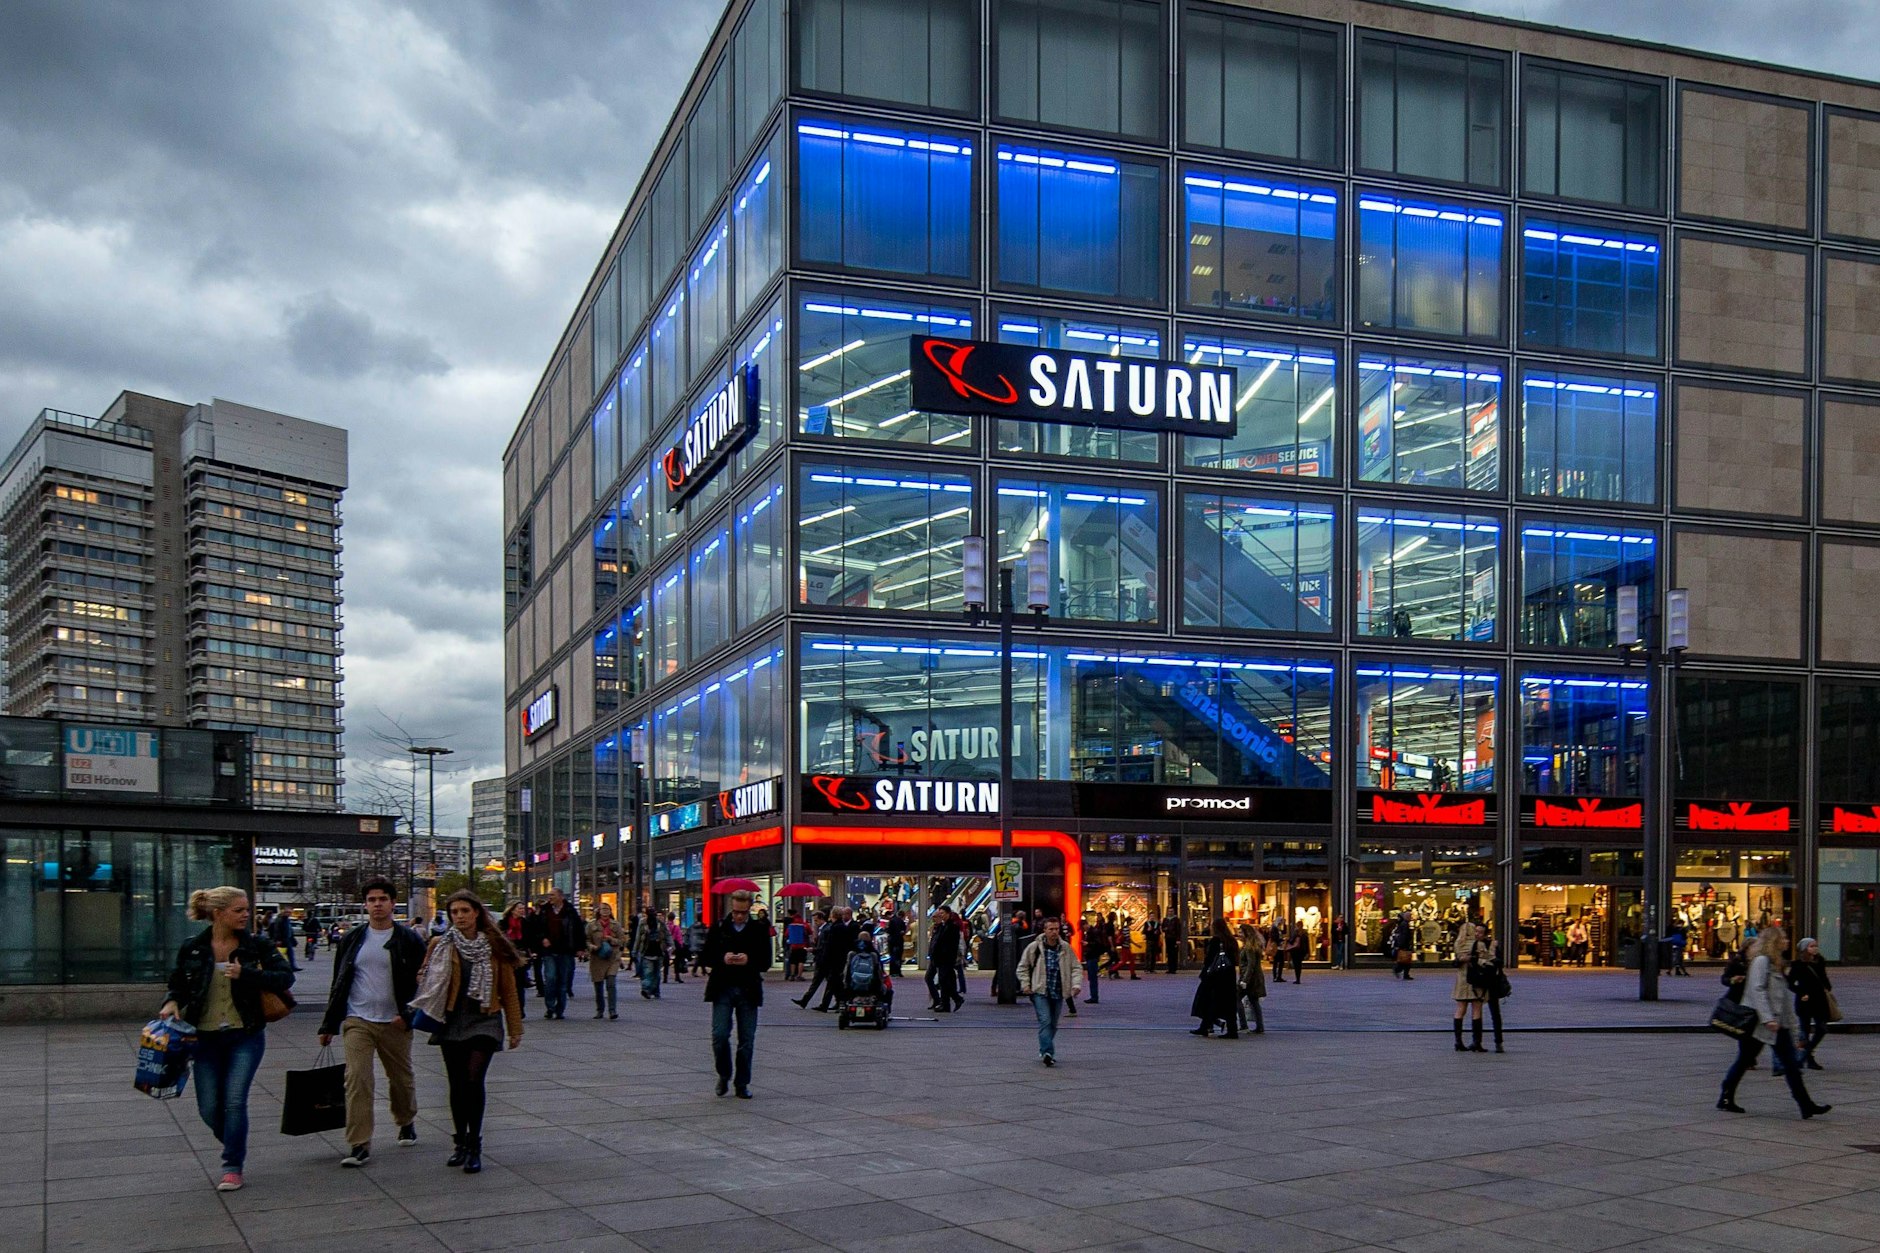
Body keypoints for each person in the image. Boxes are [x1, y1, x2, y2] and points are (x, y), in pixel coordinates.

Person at [159, 886, 294, 1192]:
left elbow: (285, 977)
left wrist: (246, 974)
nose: (246, 914)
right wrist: (171, 1001)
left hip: (245, 1035)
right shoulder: (193, 947)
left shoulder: (256, 945)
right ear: (218, 913)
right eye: (239, 910)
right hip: (204, 1037)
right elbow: (178, 983)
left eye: (247, 909)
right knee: (208, 1107)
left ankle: (232, 1165)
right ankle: (234, 1139)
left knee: (234, 1101)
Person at [318, 878, 426, 1167]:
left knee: (401, 1079)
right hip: (358, 1019)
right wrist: (329, 1025)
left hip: (395, 1021)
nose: (377, 904)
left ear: (393, 903)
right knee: (357, 1079)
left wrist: (408, 1016)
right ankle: (359, 1143)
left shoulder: (409, 939)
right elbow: (338, 982)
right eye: (371, 900)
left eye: (382, 899)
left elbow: (424, 983)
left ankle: (406, 1120)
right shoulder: (353, 939)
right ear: (365, 904)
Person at [420, 890, 523, 1172]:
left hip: (484, 1019)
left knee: (473, 1080)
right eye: (454, 912)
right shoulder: (442, 944)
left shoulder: (494, 946)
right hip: (451, 1020)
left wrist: (515, 1028)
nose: (460, 917)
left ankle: (475, 1145)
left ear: (477, 912)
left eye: (465, 911)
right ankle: (460, 1142)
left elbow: (509, 991)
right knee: (456, 1084)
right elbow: (425, 979)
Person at [1718, 926, 1829, 1118]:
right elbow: (1757, 990)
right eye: (1784, 938)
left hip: (1777, 1024)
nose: (1787, 941)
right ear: (1774, 941)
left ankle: (1806, 1105)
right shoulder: (1761, 962)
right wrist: (1768, 1018)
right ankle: (1726, 1094)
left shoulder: (1776, 964)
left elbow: (1783, 1000)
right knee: (1745, 1060)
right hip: (1760, 1023)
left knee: (1790, 1065)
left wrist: (1793, 1029)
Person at [700, 889, 772, 1098]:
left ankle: (742, 1083)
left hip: (748, 989)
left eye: (743, 912)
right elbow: (706, 956)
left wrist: (748, 959)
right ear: (731, 907)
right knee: (719, 1035)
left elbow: (766, 961)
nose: (739, 916)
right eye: (736, 911)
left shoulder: (758, 929)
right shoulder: (719, 927)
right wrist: (723, 958)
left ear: (750, 909)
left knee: (746, 1039)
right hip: (723, 987)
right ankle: (724, 1074)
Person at [1017, 917, 1081, 1066]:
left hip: (1058, 992)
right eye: (1051, 929)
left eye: (1056, 929)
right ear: (1044, 930)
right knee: (1045, 1020)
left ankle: (1044, 1048)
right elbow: (1023, 967)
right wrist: (1025, 984)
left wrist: (1076, 985)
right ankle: (1047, 1052)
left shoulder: (1065, 948)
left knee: (1053, 1024)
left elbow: (1076, 967)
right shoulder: (1034, 948)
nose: (1054, 932)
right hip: (1040, 991)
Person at [527, 889, 586, 1020]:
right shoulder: (544, 910)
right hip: (549, 950)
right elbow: (536, 928)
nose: (550, 897)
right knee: (551, 978)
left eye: (552, 895)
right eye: (549, 895)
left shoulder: (570, 911)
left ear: (561, 896)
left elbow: (578, 929)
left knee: (563, 981)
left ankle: (560, 1009)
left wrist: (580, 948)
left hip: (565, 950)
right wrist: (543, 938)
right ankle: (550, 1007)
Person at [1787, 937, 1832, 1072]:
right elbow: (1790, 983)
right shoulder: (1798, 964)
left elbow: (1824, 978)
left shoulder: (1820, 961)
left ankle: (1807, 1054)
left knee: (1822, 1028)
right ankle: (1809, 1059)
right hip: (1805, 1002)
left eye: (1815, 946)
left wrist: (1828, 987)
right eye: (1811, 946)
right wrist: (1801, 993)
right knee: (1804, 1031)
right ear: (1804, 949)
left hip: (1819, 1000)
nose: (1815, 948)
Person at [1189, 919, 1240, 1039]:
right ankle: (1231, 1029)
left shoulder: (1216, 940)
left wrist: (1205, 972)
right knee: (1228, 1002)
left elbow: (1210, 959)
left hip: (1215, 976)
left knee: (1208, 1000)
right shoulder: (1231, 940)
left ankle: (1205, 1026)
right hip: (1228, 975)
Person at [1452, 920, 1492, 1052]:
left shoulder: (1458, 944)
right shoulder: (1479, 944)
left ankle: (1458, 1041)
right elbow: (1486, 960)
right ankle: (1476, 1042)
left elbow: (1458, 959)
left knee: (1460, 1009)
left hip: (1462, 980)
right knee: (1476, 1009)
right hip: (1476, 980)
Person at [588, 902, 625, 1020]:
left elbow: (622, 941)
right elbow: (586, 940)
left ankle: (612, 1010)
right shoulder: (591, 925)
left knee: (611, 982)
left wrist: (611, 939)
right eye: (603, 909)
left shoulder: (616, 925)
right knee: (598, 986)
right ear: (598, 911)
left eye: (607, 909)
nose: (605, 911)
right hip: (597, 958)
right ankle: (600, 1010)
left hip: (612, 958)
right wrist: (591, 947)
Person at [926, 905, 964, 1013]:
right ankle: (946, 1003)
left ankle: (956, 998)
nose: (940, 915)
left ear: (948, 913)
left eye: (942, 913)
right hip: (940, 958)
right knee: (944, 981)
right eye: (939, 913)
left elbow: (950, 945)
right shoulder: (943, 926)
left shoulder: (952, 926)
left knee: (944, 981)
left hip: (946, 959)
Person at [1478, 920, 1507, 1053]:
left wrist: (1490, 960)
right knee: (1476, 1013)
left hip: (1491, 983)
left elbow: (1500, 962)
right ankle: (1476, 1042)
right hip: (1478, 982)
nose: (1477, 934)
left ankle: (1498, 1041)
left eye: (1480, 932)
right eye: (1476, 932)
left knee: (1495, 1013)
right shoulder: (1473, 945)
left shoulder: (1491, 945)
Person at [631, 904, 670, 1000]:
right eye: (650, 912)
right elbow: (638, 937)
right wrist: (635, 950)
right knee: (648, 972)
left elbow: (667, 934)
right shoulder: (642, 923)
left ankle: (655, 990)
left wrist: (670, 945)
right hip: (647, 951)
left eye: (653, 912)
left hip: (659, 950)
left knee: (656, 973)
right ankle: (646, 989)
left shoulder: (660, 923)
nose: (652, 914)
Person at [500, 901, 531, 1018]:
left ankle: (520, 1009)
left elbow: (529, 938)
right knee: (508, 984)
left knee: (519, 984)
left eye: (523, 909)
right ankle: (510, 1007)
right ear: (512, 910)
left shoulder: (525, 923)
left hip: (521, 956)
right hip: (507, 956)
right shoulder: (503, 923)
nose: (522, 911)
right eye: (519, 908)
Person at [1236, 923, 1266, 1035]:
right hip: (1254, 979)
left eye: (1240, 932)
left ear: (1246, 934)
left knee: (1236, 998)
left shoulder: (1249, 948)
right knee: (1254, 1001)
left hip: (1249, 980)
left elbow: (1250, 965)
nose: (1239, 934)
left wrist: (1244, 980)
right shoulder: (1252, 946)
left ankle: (1244, 1024)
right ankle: (1260, 1026)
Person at [1080, 917, 1110, 1005]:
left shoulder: (1093, 932)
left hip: (1093, 956)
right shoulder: (1091, 932)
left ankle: (1094, 996)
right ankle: (1093, 995)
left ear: (1085, 925)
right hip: (1091, 956)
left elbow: (1097, 944)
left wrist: (1088, 943)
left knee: (1093, 977)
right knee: (1092, 977)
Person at [267, 907, 300, 972]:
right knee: (283, 953)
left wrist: (293, 938)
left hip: (287, 939)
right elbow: (277, 930)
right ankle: (286, 966)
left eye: (290, 913)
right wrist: (278, 939)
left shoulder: (287, 920)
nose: (289, 914)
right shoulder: (280, 920)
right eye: (288, 912)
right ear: (284, 912)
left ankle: (292, 966)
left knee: (290, 953)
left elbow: (290, 930)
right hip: (283, 939)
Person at [782, 912, 809, 981]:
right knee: (801, 961)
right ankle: (799, 976)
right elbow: (810, 932)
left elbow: (786, 934)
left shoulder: (790, 925)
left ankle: (792, 975)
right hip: (802, 945)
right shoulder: (804, 925)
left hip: (793, 946)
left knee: (793, 961)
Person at [1391, 911, 1415, 979]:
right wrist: (1403, 944)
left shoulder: (1404, 924)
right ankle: (1399, 971)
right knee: (1405, 960)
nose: (1411, 917)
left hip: (1404, 945)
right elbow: (1404, 936)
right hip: (1405, 945)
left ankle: (1403, 973)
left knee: (1405, 961)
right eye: (1410, 916)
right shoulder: (1405, 924)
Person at [666, 910, 688, 984]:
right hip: (676, 945)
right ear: (674, 918)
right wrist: (681, 946)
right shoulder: (676, 927)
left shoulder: (665, 927)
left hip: (667, 945)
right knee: (677, 961)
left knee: (665, 960)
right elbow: (679, 938)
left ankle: (665, 977)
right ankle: (677, 976)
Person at [886, 909, 907, 978]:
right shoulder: (902, 922)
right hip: (899, 941)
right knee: (899, 957)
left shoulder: (892, 921)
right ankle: (898, 971)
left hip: (892, 941)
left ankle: (892, 972)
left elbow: (889, 930)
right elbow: (904, 930)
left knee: (892, 956)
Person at [1287, 919, 1307, 984]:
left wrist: (1288, 941)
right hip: (1301, 951)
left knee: (1296, 965)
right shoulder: (1304, 933)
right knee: (1299, 965)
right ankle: (1298, 978)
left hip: (1295, 951)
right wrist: (1307, 952)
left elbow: (1291, 941)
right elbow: (1307, 943)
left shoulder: (1296, 932)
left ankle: (1297, 979)